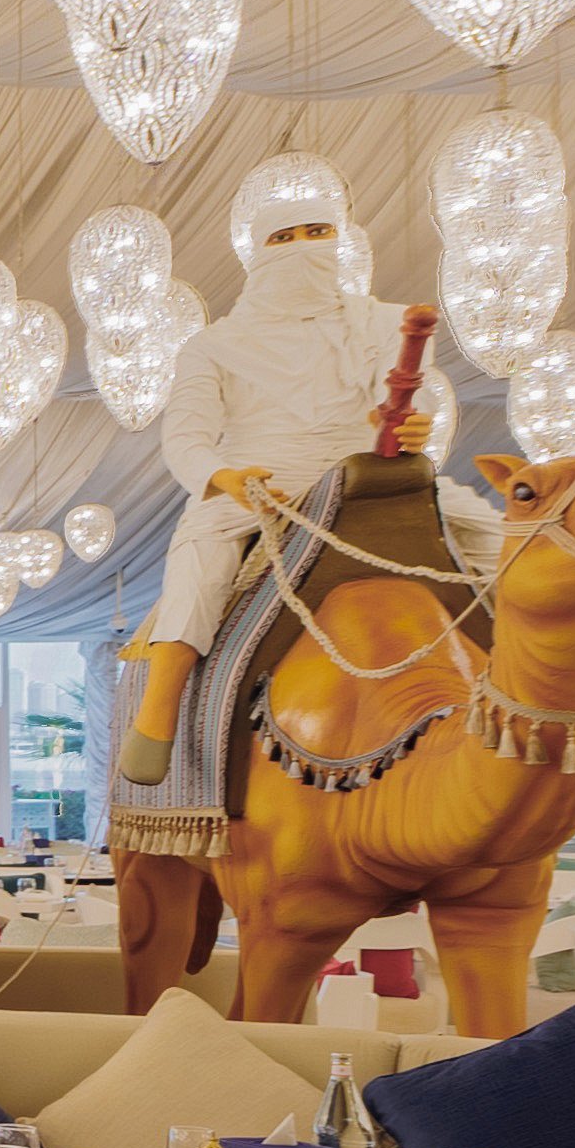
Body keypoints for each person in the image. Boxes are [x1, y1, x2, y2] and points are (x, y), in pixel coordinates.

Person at [115, 196, 479, 789]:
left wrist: (420, 422)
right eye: (284, 237)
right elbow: (185, 436)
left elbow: (416, 392)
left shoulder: (384, 320)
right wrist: (222, 477)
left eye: (318, 232)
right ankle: (158, 712)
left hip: (367, 476)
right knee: (198, 566)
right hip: (256, 488)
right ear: (258, 254)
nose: (303, 246)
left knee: (491, 544)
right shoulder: (213, 344)